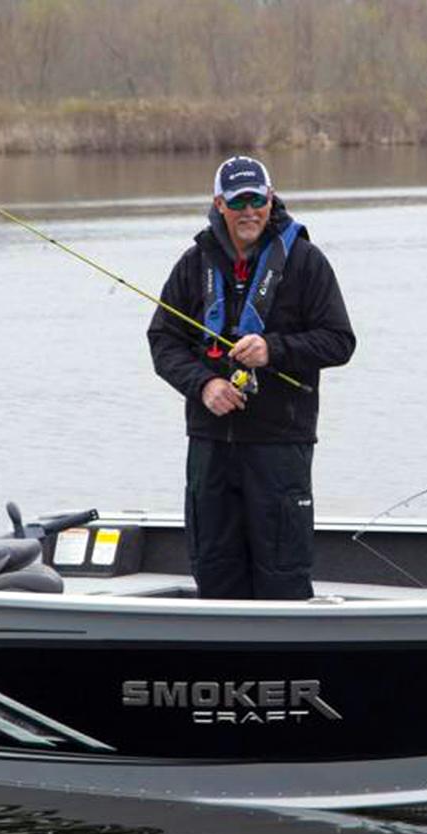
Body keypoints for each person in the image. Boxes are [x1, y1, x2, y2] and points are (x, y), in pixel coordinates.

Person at [147, 156, 356, 599]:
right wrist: (204, 384)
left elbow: (340, 342)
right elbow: (163, 341)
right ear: (219, 204)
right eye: (238, 201)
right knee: (214, 572)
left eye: (257, 200)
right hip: (210, 447)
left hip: (280, 446)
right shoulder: (193, 263)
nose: (249, 211)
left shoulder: (306, 262)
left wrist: (272, 350)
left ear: (271, 199)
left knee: (283, 575)